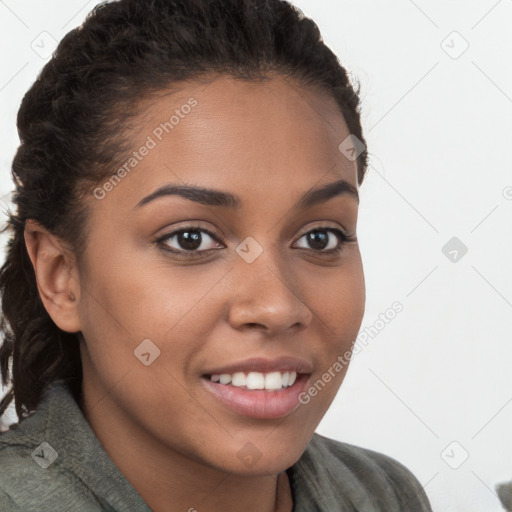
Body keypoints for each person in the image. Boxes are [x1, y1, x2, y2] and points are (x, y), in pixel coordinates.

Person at [0, 0, 433, 510]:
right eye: (190, 239)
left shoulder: (383, 495)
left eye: (320, 237)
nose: (276, 306)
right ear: (60, 276)